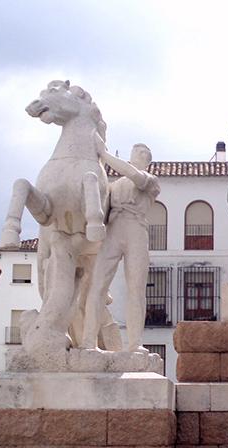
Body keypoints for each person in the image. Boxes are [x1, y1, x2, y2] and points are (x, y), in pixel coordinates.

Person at [81, 138, 160, 353]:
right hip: (113, 229)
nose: (141, 155)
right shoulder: (113, 186)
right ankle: (89, 341)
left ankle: (135, 343)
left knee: (136, 289)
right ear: (131, 156)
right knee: (97, 285)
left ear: (148, 162)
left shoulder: (151, 181)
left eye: (145, 153)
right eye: (138, 152)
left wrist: (104, 155)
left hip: (136, 229)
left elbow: (136, 176)